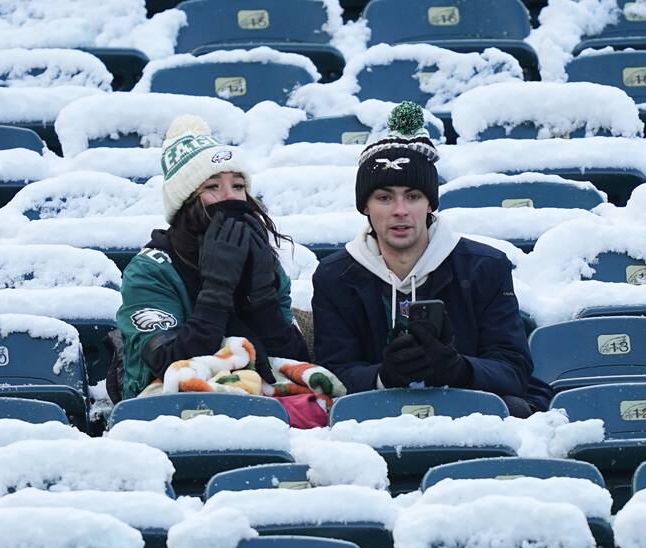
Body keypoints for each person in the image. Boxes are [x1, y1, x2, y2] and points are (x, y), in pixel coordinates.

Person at [311, 102, 550, 417]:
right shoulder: (335, 275)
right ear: (365, 206)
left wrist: (459, 369)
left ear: (430, 204)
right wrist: (384, 376)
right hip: (378, 414)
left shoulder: (485, 266)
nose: (400, 211)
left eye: (413, 196)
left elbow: (513, 368)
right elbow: (332, 373)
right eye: (384, 197)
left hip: (471, 412)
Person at [112, 115, 309, 402]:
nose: (230, 197)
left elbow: (293, 360)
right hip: (167, 405)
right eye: (213, 187)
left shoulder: (264, 261)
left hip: (263, 398)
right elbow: (169, 364)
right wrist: (217, 288)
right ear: (185, 201)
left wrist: (263, 297)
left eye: (238, 186)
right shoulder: (150, 271)